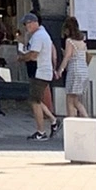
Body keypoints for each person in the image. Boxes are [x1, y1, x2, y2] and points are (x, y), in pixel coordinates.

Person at [21, 11, 58, 140]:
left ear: (34, 23)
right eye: (25, 24)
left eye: (28, 24)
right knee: (36, 99)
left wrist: (21, 58)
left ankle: (41, 132)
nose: (27, 27)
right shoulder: (42, 34)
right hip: (42, 72)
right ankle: (53, 120)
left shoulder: (38, 36)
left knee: (34, 101)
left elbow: (33, 55)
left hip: (40, 72)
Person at [59, 16, 91, 119]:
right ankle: (87, 118)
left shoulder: (69, 41)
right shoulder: (82, 41)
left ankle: (71, 121)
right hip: (83, 70)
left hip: (74, 70)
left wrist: (61, 69)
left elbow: (67, 56)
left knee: (69, 98)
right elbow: (88, 56)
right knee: (75, 100)